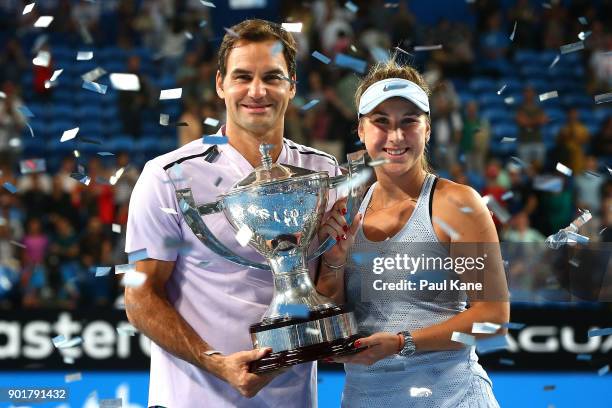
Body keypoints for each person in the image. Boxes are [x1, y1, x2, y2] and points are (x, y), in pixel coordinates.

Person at [124, 19, 340, 407]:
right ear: (220, 84)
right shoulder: (169, 177)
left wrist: (339, 256)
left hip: (291, 400)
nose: (256, 91)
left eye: (271, 77)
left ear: (292, 84)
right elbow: (140, 298)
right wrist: (218, 364)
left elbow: (328, 294)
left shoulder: (324, 174)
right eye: (242, 77)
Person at [316, 60, 509, 407]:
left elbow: (493, 321)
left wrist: (404, 342)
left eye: (409, 121)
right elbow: (332, 325)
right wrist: (332, 265)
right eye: (381, 122)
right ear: (360, 130)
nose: (395, 136)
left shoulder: (457, 204)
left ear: (428, 129)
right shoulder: (346, 209)